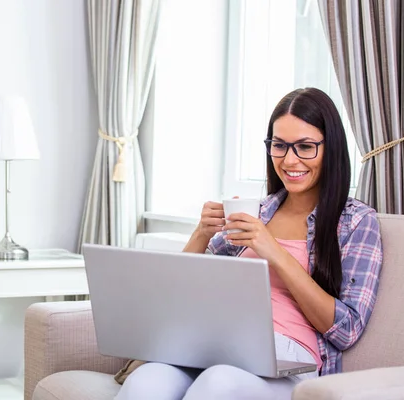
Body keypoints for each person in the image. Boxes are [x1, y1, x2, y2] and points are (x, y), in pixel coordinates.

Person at [115, 87, 383, 400]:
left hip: (286, 356)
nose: (289, 160)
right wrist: (201, 233)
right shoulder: (257, 211)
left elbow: (347, 329)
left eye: (306, 147)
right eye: (279, 146)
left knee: (218, 383)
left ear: (331, 148)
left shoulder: (356, 221)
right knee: (146, 381)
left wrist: (275, 252)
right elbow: (180, 294)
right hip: (214, 342)